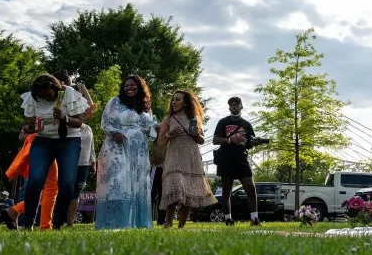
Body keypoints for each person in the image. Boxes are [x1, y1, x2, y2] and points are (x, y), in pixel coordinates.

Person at [19, 74, 89, 230]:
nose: (45, 98)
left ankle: (57, 222)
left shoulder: (69, 94)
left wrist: (65, 118)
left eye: (48, 95)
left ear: (55, 88)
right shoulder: (33, 97)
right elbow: (26, 127)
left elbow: (79, 122)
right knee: (35, 180)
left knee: (67, 183)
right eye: (41, 96)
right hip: (43, 140)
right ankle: (28, 222)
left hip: (69, 140)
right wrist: (30, 127)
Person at [95, 75, 157, 230]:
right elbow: (105, 122)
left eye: (133, 85)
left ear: (140, 87)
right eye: (126, 86)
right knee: (118, 184)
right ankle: (114, 223)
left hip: (139, 151)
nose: (129, 88)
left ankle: (136, 223)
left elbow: (150, 128)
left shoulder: (145, 106)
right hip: (118, 148)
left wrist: (159, 130)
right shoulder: (116, 101)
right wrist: (115, 132)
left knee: (137, 185)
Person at [157, 90, 217, 228]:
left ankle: (181, 226)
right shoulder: (169, 120)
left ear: (185, 103)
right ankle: (168, 222)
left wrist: (196, 134)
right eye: (173, 100)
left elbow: (201, 140)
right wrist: (170, 134)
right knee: (175, 187)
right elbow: (160, 143)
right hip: (174, 157)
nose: (174, 102)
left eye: (177, 100)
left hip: (191, 157)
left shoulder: (194, 119)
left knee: (188, 192)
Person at [212, 97, 260, 226]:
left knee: (250, 188)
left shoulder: (247, 124)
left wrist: (252, 143)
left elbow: (249, 143)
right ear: (229, 108)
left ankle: (254, 219)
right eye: (231, 105)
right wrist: (229, 140)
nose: (234, 106)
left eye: (236, 104)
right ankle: (228, 219)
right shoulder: (223, 122)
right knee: (227, 191)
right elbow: (215, 140)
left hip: (241, 159)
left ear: (241, 106)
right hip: (226, 159)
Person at [2, 127, 59, 231]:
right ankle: (45, 226)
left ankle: (15, 211)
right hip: (46, 144)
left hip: (44, 144)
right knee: (50, 187)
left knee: (48, 189)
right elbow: (23, 134)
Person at [66, 124, 95, 226]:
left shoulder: (88, 128)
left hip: (84, 164)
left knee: (77, 192)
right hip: (70, 163)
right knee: (67, 190)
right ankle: (58, 219)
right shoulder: (70, 126)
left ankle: (70, 222)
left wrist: (93, 162)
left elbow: (91, 146)